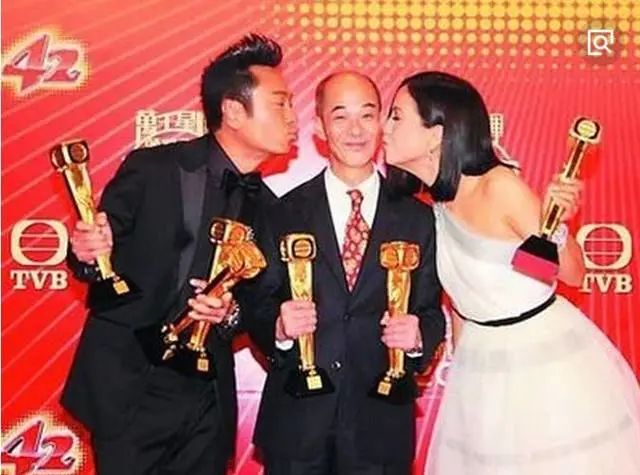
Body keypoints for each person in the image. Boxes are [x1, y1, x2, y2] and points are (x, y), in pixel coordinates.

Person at [382, 70, 640, 475]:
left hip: (543, 368)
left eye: (397, 116)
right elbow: (463, 303)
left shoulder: (497, 188)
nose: (385, 128)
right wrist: (465, 381)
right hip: (482, 369)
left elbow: (571, 273)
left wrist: (554, 225)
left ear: (436, 133)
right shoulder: (437, 204)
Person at [62, 33, 297, 475]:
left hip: (206, 400)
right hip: (131, 390)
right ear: (233, 110)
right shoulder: (154, 168)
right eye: (280, 103)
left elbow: (257, 305)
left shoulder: (269, 207)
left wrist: (228, 313)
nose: (292, 117)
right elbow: (98, 248)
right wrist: (88, 252)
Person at [242, 71, 446, 474]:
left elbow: (430, 310)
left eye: (367, 115)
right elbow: (256, 304)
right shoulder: (282, 212)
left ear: (382, 123)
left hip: (380, 426)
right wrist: (278, 328)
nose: (355, 130)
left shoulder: (419, 219)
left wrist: (419, 336)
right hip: (298, 425)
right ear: (319, 127)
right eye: (340, 116)